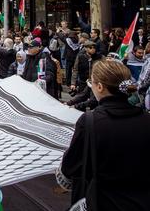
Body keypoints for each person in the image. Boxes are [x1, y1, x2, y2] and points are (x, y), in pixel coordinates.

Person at [57, 60, 150, 211]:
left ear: (99, 87)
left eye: (91, 83)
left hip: (104, 202)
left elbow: (68, 170)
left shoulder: (89, 121)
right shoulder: (146, 119)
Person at [66, 41, 103, 110]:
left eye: (94, 48)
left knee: (93, 102)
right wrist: (73, 83)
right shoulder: (80, 56)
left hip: (94, 82)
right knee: (81, 99)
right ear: (86, 48)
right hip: (83, 81)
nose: (93, 49)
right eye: (90, 48)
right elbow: (75, 70)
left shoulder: (99, 57)